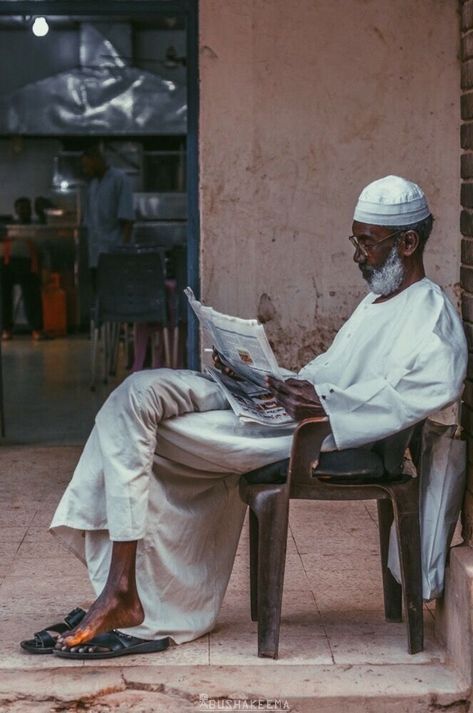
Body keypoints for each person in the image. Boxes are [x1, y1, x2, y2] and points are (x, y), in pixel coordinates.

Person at [20, 176, 467, 659]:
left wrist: (324, 404)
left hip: (310, 438)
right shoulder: (377, 303)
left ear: (407, 242)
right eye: (355, 240)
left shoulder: (431, 311)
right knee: (135, 394)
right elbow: (329, 371)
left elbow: (432, 387)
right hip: (280, 413)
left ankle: (123, 593)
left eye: (367, 242)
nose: (359, 255)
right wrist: (268, 380)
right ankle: (128, 595)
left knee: (132, 424)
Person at [80, 146, 134, 290]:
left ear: (97, 160)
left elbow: (128, 220)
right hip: (95, 256)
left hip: (114, 254)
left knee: (115, 295)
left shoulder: (120, 180)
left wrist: (123, 252)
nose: (85, 170)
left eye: (87, 165)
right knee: (99, 296)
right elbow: (89, 222)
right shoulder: (93, 185)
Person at [0, 197, 47, 341]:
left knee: (31, 294)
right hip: (4, 261)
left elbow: (44, 242)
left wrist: (42, 214)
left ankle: (36, 329)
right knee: (4, 296)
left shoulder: (35, 226)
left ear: (31, 210)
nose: (24, 211)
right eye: (20, 208)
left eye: (27, 208)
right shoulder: (7, 226)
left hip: (26, 262)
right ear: (15, 210)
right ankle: (6, 329)